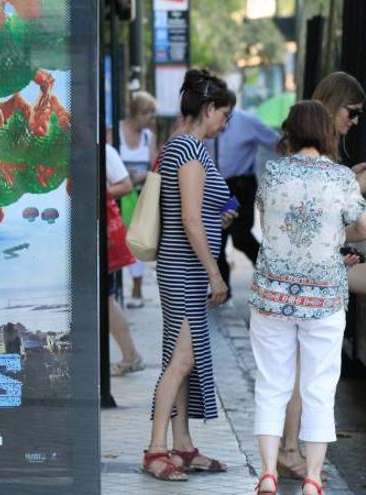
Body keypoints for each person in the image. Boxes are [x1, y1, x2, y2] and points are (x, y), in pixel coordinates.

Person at [275, 72, 366, 479]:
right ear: (332, 105)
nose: (355, 121)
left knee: (306, 364)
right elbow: (317, 207)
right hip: (322, 264)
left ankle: (290, 448)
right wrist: (355, 186)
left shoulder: (310, 145)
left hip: (321, 263)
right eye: (352, 113)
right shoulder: (312, 148)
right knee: (306, 364)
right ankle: (289, 449)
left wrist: (352, 176)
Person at [250, 100, 366, 495]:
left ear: (290, 130)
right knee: (319, 387)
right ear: (325, 132)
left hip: (272, 293)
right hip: (323, 299)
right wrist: (336, 237)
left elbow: (265, 224)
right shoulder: (340, 179)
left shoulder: (272, 172)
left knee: (272, 383)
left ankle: (268, 472)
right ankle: (313, 479)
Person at [142, 69, 237, 482]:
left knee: (183, 357)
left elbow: (197, 212)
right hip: (186, 268)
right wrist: (215, 273)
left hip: (184, 267)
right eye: (224, 115)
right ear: (209, 109)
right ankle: (156, 449)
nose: (226, 123)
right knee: (182, 358)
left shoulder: (185, 147)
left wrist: (223, 216)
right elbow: (190, 220)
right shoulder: (191, 150)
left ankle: (181, 445)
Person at [203, 109, 279, 289]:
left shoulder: (247, 121)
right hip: (217, 186)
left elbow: (276, 142)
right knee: (216, 238)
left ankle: (270, 272)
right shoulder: (206, 121)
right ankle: (222, 288)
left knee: (240, 236)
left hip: (239, 186)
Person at [105, 143, 145, 376]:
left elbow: (126, 184)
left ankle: (131, 355)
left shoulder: (105, 150)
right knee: (105, 298)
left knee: (106, 298)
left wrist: (98, 192)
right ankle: (130, 355)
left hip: (101, 232)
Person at [119, 91, 158, 309]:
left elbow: (154, 165)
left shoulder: (148, 137)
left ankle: (137, 288)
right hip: (119, 193)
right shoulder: (115, 130)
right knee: (118, 239)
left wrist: (138, 177)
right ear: (135, 112)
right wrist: (124, 175)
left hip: (139, 193)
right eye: (147, 113)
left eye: (152, 113)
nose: (150, 118)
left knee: (138, 240)